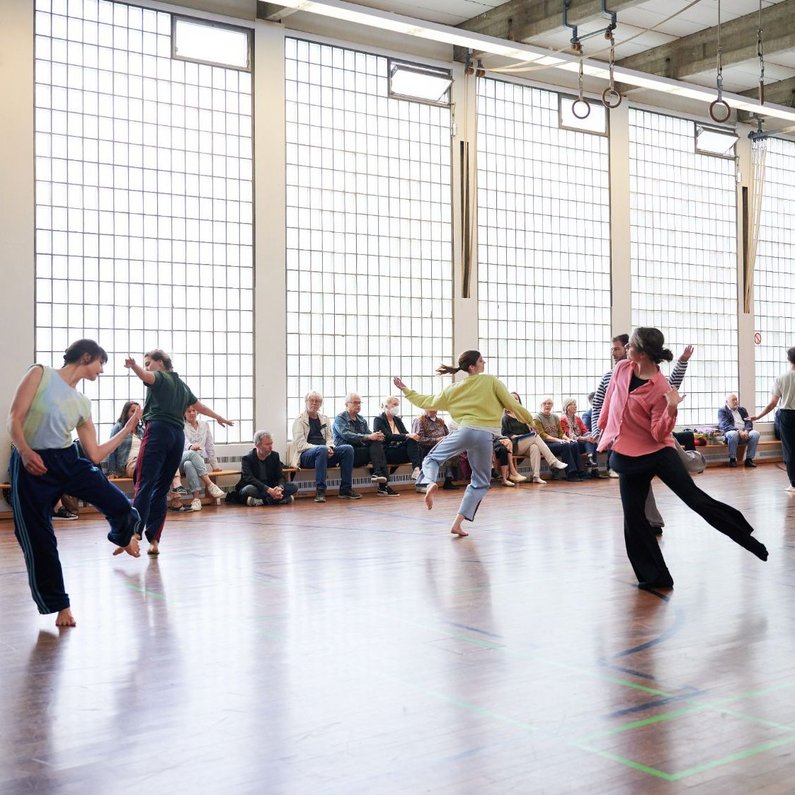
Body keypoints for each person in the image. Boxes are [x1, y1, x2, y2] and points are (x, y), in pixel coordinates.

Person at [598, 327, 767, 590]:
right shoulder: (622, 369)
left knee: (695, 500)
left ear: (641, 353)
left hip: (657, 452)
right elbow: (611, 400)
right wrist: (603, 430)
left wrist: (672, 408)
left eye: (629, 345)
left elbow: (658, 433)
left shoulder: (661, 388)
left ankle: (747, 538)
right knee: (633, 516)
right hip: (627, 452)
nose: (625, 348)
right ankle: (656, 577)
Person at [7, 339, 143, 627]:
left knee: (119, 503)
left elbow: (94, 454)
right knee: (38, 537)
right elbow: (14, 418)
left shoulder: (82, 403)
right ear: (86, 356)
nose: (101, 371)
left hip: (67, 460)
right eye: (100, 363)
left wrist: (128, 430)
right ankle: (60, 607)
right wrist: (24, 450)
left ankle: (123, 536)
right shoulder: (40, 374)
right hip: (33, 464)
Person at [393, 350, 541, 537]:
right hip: (485, 436)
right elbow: (513, 405)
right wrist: (531, 421)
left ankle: (429, 482)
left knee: (432, 459)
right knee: (480, 482)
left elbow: (427, 401)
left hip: (465, 432)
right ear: (472, 366)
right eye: (481, 360)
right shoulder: (491, 381)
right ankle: (457, 523)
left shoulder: (453, 389)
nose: (484, 362)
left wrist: (406, 390)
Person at [124, 349, 232, 556]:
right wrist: (219, 417)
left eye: (149, 363)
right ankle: (154, 540)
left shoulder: (161, 377)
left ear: (161, 363)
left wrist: (135, 366)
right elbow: (198, 406)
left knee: (144, 482)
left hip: (158, 432)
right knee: (162, 487)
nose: (147, 367)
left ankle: (134, 532)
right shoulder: (182, 386)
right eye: (145, 363)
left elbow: (146, 376)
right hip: (177, 436)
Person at [289, 391, 360, 502]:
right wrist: (322, 448)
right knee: (321, 449)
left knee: (348, 449)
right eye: (311, 400)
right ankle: (320, 490)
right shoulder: (299, 421)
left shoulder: (325, 419)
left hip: (325, 453)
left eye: (317, 401)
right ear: (306, 402)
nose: (314, 403)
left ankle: (345, 489)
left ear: (320, 404)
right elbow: (300, 445)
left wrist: (330, 447)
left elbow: (330, 438)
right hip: (306, 456)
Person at [333, 393, 396, 496]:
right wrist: (368, 437)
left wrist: (377, 436)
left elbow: (369, 434)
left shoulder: (361, 420)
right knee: (376, 447)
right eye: (355, 403)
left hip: (362, 452)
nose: (358, 405)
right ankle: (383, 485)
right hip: (348, 454)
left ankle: (378, 475)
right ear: (346, 404)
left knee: (377, 443)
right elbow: (347, 435)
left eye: (359, 403)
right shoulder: (340, 418)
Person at [750, 345, 795, 492]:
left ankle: (793, 485)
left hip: (787, 416)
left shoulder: (781, 378)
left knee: (789, 450)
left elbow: (772, 404)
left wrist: (758, 416)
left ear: (788, 359)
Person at [171, 405, 226, 511]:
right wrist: (191, 447)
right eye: (188, 411)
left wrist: (214, 465)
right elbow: (184, 442)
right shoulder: (180, 425)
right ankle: (210, 484)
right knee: (191, 454)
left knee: (189, 464)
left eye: (194, 410)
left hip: (196, 462)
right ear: (184, 413)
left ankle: (196, 499)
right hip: (180, 458)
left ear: (197, 412)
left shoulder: (204, 425)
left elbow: (209, 445)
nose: (192, 413)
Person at [227, 431, 299, 506]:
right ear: (257, 445)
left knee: (294, 486)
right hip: (257, 487)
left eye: (271, 443)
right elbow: (249, 478)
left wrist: (279, 488)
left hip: (270, 487)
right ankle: (280, 499)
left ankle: (261, 501)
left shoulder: (275, 456)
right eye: (267, 444)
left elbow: (280, 476)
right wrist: (268, 490)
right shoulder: (247, 458)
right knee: (249, 489)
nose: (271, 447)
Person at [373, 396, 424, 479]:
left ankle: (417, 469)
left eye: (398, 405)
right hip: (387, 451)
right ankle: (419, 475)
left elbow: (406, 433)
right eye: (394, 404)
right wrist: (407, 435)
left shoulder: (397, 420)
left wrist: (413, 435)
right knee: (416, 448)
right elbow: (387, 436)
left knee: (417, 446)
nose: (397, 407)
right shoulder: (378, 420)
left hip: (398, 449)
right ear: (386, 406)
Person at [534, 399, 586, 480]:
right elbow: (542, 435)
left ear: (552, 405)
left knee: (574, 444)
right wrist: (558, 440)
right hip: (545, 445)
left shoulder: (554, 417)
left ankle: (580, 472)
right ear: (541, 405)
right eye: (545, 403)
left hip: (557, 442)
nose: (547, 405)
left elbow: (561, 433)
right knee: (565, 446)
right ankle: (571, 474)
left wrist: (567, 439)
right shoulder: (537, 418)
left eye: (549, 403)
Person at [411, 409, 459, 491]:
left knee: (454, 452)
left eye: (435, 409)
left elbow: (448, 435)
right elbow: (419, 439)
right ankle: (425, 483)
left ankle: (449, 479)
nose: (433, 411)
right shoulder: (420, 421)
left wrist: (446, 440)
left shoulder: (440, 421)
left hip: (441, 445)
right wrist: (436, 440)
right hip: (427, 447)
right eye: (430, 409)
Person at [718, 393, 760, 468]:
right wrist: (739, 431)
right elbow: (725, 425)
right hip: (731, 433)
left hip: (744, 432)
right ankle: (732, 459)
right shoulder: (722, 411)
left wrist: (746, 431)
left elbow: (748, 421)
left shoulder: (742, 410)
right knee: (733, 434)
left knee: (755, 434)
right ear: (727, 402)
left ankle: (749, 459)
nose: (735, 401)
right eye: (733, 400)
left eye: (736, 399)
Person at [105, 400, 144, 478]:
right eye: (133, 411)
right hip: (130, 463)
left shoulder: (142, 430)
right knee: (147, 469)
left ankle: (175, 488)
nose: (135, 414)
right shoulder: (119, 427)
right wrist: (112, 471)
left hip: (144, 459)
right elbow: (111, 450)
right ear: (126, 413)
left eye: (138, 412)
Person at [560, 398, 598, 471]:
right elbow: (569, 436)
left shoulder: (577, 418)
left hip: (581, 442)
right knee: (588, 441)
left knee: (592, 441)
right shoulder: (562, 419)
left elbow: (585, 431)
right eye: (573, 405)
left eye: (575, 405)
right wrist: (586, 438)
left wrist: (591, 436)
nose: (576, 406)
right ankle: (592, 465)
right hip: (572, 443)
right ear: (567, 407)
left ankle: (591, 461)